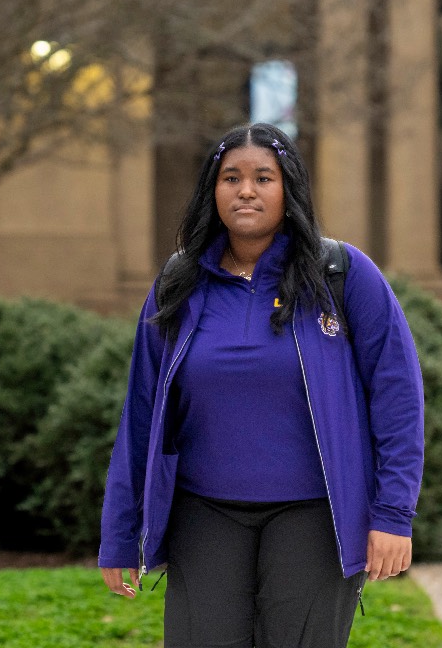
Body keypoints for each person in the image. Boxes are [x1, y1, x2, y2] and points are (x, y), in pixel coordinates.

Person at [98, 122, 424, 648]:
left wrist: (393, 514)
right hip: (203, 516)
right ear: (213, 190)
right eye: (231, 177)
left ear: (288, 189)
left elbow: (398, 398)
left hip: (315, 516)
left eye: (263, 178)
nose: (246, 190)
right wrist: (119, 534)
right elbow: (141, 413)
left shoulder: (342, 274)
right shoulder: (178, 283)